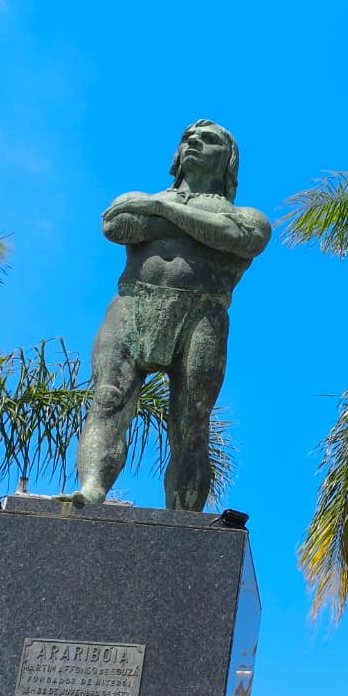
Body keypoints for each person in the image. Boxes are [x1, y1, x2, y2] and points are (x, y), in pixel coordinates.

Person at [66, 119, 271, 511]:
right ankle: (91, 488)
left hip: (202, 313)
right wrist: (193, 223)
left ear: (227, 160)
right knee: (108, 399)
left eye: (208, 140)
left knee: (191, 421)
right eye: (188, 138)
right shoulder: (136, 197)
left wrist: (161, 210)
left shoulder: (248, 215)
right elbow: (116, 224)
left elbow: (240, 238)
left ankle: (183, 516)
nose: (193, 141)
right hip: (133, 304)